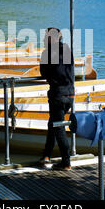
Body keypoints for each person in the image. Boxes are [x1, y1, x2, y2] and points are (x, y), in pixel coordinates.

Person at [39, 27, 74, 171]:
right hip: (70, 94)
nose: (42, 40)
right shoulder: (66, 50)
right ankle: (46, 155)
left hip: (57, 95)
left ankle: (66, 162)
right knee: (52, 123)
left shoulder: (47, 53)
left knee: (58, 127)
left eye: (45, 37)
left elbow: (43, 73)